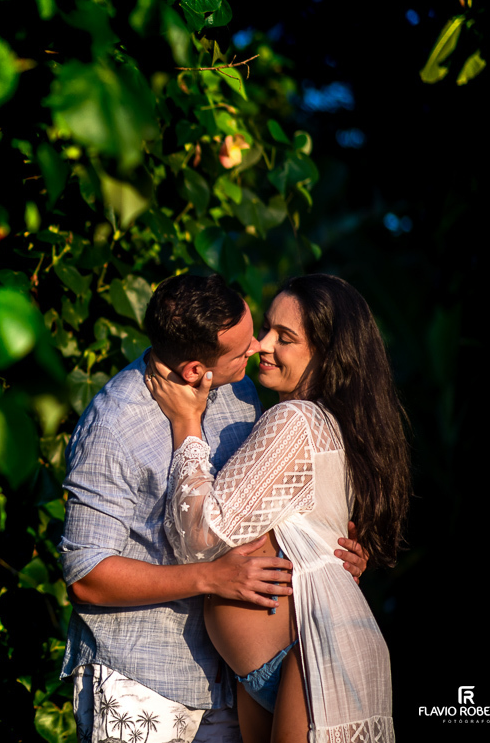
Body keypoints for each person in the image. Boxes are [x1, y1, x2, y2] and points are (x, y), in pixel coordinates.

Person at [59, 274, 368, 743]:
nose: (258, 349)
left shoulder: (240, 391)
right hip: (144, 680)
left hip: (227, 682)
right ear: (193, 371)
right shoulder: (115, 424)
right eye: (243, 346)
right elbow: (85, 576)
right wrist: (209, 578)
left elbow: (256, 501)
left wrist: (328, 551)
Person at [147, 274, 409, 743]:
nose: (261, 345)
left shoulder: (297, 418)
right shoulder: (323, 422)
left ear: (328, 355)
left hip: (311, 647)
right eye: (266, 328)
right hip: (289, 654)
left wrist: (186, 422)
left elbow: (199, 537)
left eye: (284, 338)